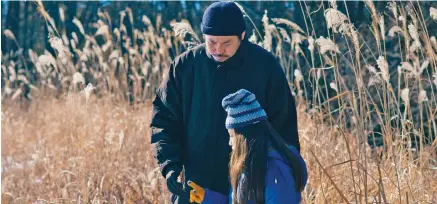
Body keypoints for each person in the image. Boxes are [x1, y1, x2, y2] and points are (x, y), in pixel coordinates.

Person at [150, 2, 300, 203]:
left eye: (227, 43)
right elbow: (164, 121)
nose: (218, 49)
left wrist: (279, 177)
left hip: (250, 187)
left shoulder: (265, 67)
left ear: (242, 36)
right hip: (195, 187)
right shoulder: (185, 67)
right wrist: (170, 166)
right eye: (211, 41)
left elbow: (284, 129)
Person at [187, 89, 308, 204]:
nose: (230, 142)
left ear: (244, 137)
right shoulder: (252, 165)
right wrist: (207, 198)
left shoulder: (275, 170)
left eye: (232, 136)